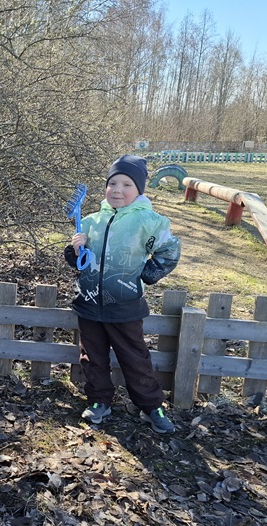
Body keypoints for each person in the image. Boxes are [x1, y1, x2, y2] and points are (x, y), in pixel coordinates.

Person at [64, 154, 181, 433]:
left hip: (125, 306)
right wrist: (76, 250)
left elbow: (169, 252)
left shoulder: (149, 222)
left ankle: (151, 406)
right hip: (89, 304)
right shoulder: (90, 221)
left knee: (135, 358)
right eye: (112, 183)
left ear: (138, 189)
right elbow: (79, 262)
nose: (117, 190)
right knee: (92, 358)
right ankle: (99, 401)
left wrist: (142, 276)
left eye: (127, 184)